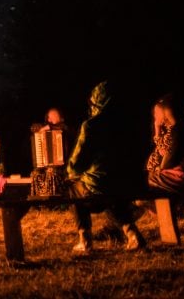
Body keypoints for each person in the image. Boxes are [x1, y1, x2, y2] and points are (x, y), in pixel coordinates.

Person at [66, 81, 145, 253]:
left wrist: (71, 171)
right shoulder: (128, 125)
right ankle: (132, 234)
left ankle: (85, 239)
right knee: (112, 193)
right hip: (125, 185)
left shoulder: (91, 126)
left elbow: (77, 164)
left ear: (97, 102)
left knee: (74, 188)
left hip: (99, 187)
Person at [146, 99, 173, 174]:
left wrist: (157, 128)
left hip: (162, 165)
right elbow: (158, 144)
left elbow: (164, 149)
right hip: (156, 165)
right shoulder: (163, 128)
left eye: (156, 113)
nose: (155, 116)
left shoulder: (171, 129)